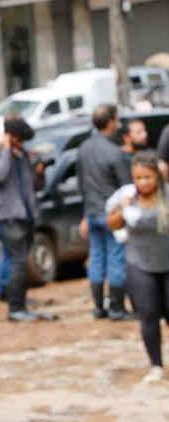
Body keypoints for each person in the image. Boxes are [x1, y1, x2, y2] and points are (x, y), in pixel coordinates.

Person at [107, 151, 169, 383]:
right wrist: (122, 211)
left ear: (158, 177)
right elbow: (112, 223)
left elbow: (155, 221)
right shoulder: (127, 197)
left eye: (148, 177)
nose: (143, 183)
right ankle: (155, 365)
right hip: (139, 263)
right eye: (138, 178)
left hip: (166, 261)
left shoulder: (166, 197)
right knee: (148, 314)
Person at [78, 104, 133, 320]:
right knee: (116, 258)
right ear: (111, 121)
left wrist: (85, 214)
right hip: (112, 214)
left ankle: (99, 307)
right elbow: (126, 189)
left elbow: (82, 184)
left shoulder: (84, 149)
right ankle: (117, 308)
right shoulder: (115, 153)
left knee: (98, 258)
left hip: (92, 211)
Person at [0, 114, 45, 321]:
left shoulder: (24, 156)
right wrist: (5, 150)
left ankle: (14, 298)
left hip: (25, 216)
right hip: (7, 216)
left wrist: (39, 172)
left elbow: (35, 187)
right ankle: (16, 308)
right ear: (10, 137)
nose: (22, 143)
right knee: (19, 261)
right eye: (18, 139)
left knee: (17, 261)